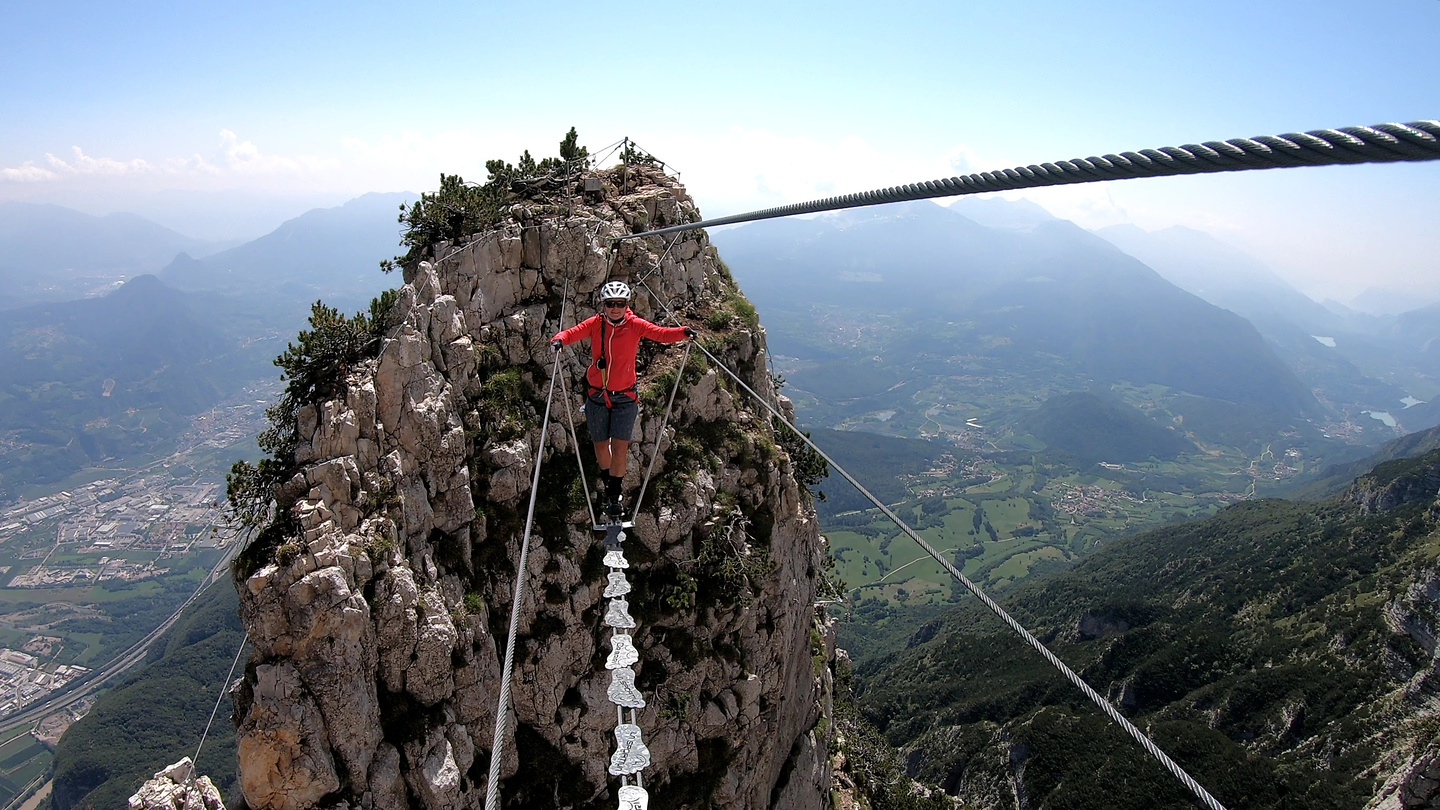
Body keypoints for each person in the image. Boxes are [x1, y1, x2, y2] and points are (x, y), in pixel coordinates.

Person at [551, 280, 695, 519]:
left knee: (620, 448)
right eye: (610, 304)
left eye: (620, 303)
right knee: (600, 446)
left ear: (627, 304)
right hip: (597, 395)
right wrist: (558, 340)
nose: (615, 308)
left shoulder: (634, 325)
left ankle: (614, 494)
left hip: (625, 398)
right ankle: (609, 482)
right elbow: (572, 333)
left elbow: (659, 334)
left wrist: (683, 332)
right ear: (604, 305)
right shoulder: (596, 324)